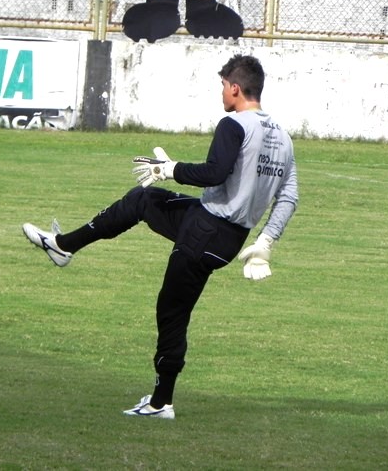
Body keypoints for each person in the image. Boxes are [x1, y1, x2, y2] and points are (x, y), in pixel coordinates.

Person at [22, 54, 298, 419]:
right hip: (224, 236)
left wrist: (171, 169)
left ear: (234, 87)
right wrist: (264, 243)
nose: (221, 93)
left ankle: (160, 403)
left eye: (223, 86)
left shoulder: (234, 124)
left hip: (206, 231)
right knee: (144, 200)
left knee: (172, 312)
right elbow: (289, 195)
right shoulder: (284, 136)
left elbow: (215, 172)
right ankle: (62, 246)